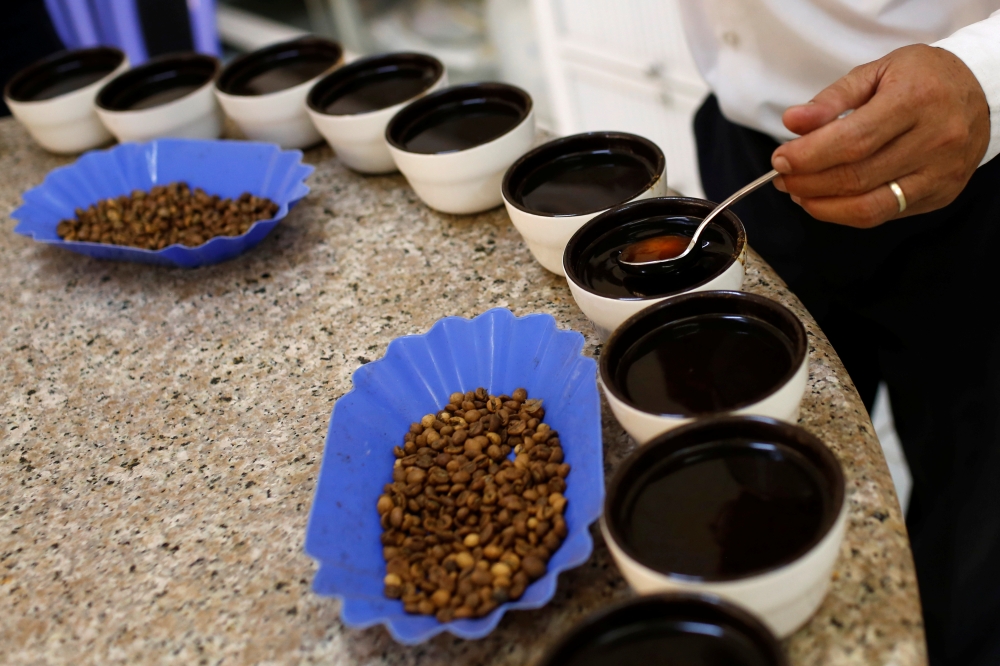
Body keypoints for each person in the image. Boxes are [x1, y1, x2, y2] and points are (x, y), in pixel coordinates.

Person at [676, 2, 1000, 664]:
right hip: (754, 170)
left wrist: (991, 77)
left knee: (976, 520)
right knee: (765, 489)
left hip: (976, 166)